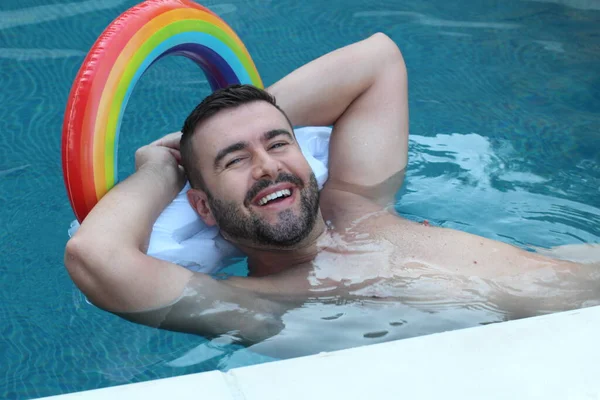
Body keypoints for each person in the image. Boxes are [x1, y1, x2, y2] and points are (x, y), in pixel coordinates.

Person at [65, 33, 599, 354]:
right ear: (202, 205)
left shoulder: (358, 201)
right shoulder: (262, 308)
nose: (268, 167)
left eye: (279, 144)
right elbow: (95, 256)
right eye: (235, 160)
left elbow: (378, 59)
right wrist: (167, 168)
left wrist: (240, 121)